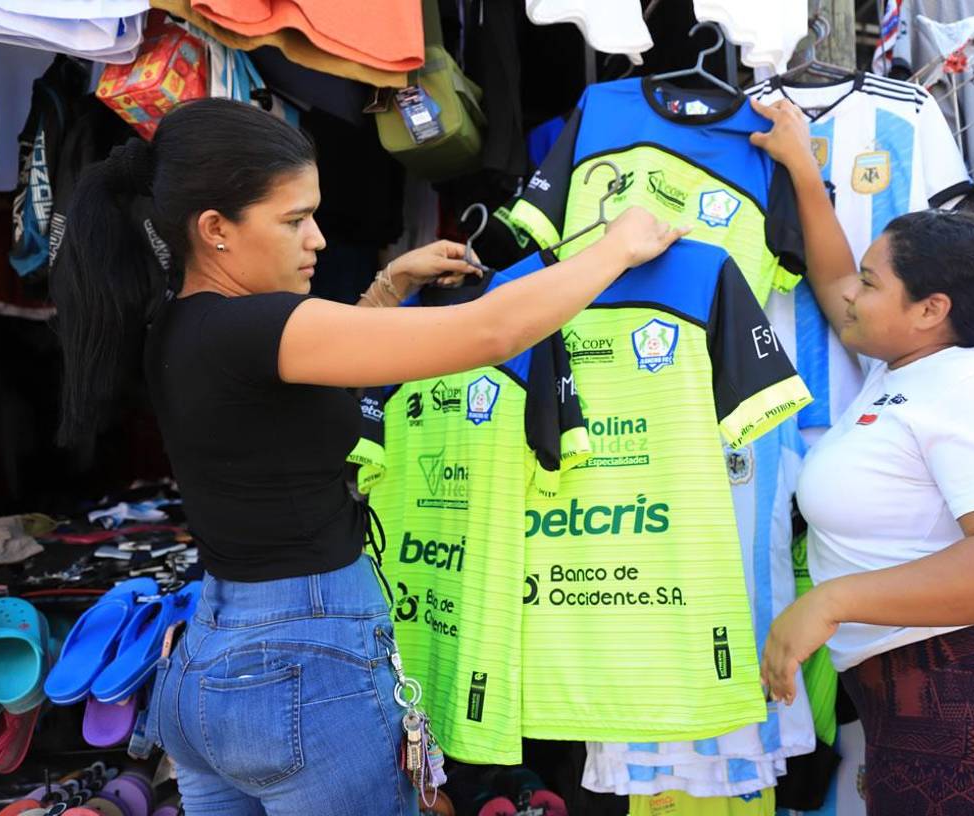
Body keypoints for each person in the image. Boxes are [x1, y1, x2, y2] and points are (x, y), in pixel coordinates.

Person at [49, 98, 685, 816]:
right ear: (216, 229)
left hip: (208, 668)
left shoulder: (181, 325)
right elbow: (492, 332)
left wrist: (392, 285)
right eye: (294, 220)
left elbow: (318, 366)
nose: (317, 238)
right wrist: (616, 248)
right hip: (302, 670)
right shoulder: (257, 328)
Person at [748, 97, 974, 815]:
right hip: (926, 717)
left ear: (931, 310)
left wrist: (832, 602)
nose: (853, 294)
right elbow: (833, 282)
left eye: (873, 283)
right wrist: (802, 170)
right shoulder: (903, 372)